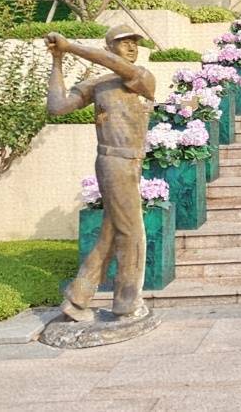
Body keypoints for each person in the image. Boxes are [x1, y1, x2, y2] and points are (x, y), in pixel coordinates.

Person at [45, 24, 156, 321]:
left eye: (135, 42)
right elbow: (56, 107)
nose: (131, 47)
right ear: (109, 47)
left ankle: (77, 298)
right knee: (132, 234)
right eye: (123, 42)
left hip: (130, 163)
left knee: (110, 233)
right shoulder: (99, 84)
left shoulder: (142, 77)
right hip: (113, 161)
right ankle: (126, 304)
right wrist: (57, 61)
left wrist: (71, 47)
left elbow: (116, 66)